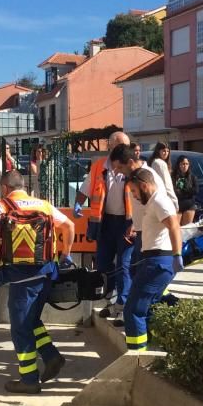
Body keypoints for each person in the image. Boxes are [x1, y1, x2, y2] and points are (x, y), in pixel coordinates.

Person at [0, 170, 75, 394]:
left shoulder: (2, 205)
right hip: (46, 273)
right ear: (23, 186)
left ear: (5, 188)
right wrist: (65, 255)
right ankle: (52, 357)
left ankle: (29, 380)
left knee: (20, 328)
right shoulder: (43, 205)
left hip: (20, 276)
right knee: (31, 320)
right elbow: (69, 226)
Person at [75, 131, 133, 319]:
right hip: (105, 222)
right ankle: (111, 299)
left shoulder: (133, 166)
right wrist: (78, 202)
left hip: (127, 223)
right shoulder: (99, 166)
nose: (124, 149)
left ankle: (123, 306)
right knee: (103, 263)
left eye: (126, 145)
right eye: (120, 145)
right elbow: (86, 188)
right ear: (110, 146)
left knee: (124, 265)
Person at [123, 169, 182, 350]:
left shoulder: (159, 201)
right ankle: (152, 348)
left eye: (134, 191)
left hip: (158, 262)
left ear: (144, 185)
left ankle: (137, 357)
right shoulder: (153, 202)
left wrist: (177, 254)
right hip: (154, 260)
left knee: (133, 310)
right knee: (148, 308)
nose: (134, 196)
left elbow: (174, 226)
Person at [148, 143, 179, 210]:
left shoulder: (154, 162)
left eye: (168, 151)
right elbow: (167, 185)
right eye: (163, 151)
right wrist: (174, 201)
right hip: (165, 199)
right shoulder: (160, 163)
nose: (166, 153)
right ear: (158, 151)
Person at [172, 156, 198, 225]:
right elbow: (174, 191)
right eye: (183, 164)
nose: (185, 166)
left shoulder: (192, 177)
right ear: (178, 165)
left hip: (189, 206)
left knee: (186, 229)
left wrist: (184, 191)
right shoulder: (173, 177)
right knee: (175, 228)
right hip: (177, 206)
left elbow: (195, 190)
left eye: (187, 164)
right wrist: (187, 192)